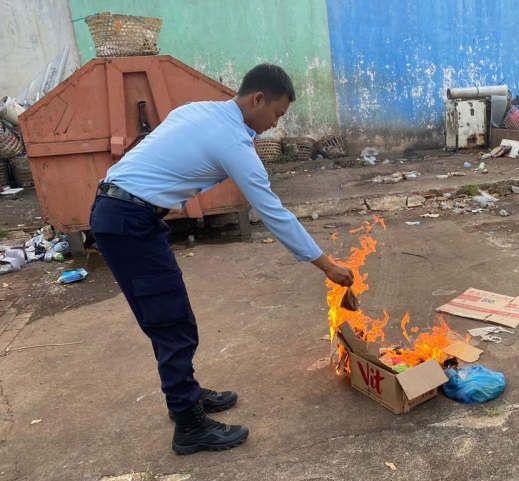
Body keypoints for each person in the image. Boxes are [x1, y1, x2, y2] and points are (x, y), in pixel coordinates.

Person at [89, 64, 355, 455]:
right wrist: (326, 264)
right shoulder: (232, 142)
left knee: (170, 315)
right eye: (277, 114)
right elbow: (272, 211)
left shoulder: (197, 111)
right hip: (128, 221)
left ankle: (188, 395)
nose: (275, 125)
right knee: (171, 322)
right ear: (258, 99)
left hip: (125, 212)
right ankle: (189, 426)